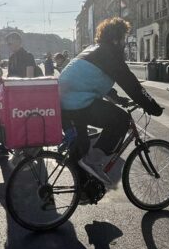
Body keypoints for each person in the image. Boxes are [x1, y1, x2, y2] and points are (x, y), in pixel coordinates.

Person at [59, 18, 163, 184]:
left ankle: (83, 188)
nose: (124, 42)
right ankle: (94, 161)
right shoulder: (110, 54)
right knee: (121, 120)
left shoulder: (94, 50)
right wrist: (153, 107)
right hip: (77, 102)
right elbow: (131, 84)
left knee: (82, 147)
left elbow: (93, 79)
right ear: (116, 39)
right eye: (124, 38)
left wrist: (117, 98)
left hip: (66, 102)